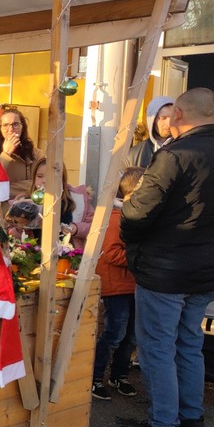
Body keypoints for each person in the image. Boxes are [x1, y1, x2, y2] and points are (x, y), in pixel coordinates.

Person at [117, 87, 214, 427]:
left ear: (179, 116)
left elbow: (136, 213)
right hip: (205, 265)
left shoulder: (174, 155)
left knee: (157, 347)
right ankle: (191, 422)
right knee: (188, 344)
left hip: (165, 269)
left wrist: (133, 239)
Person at [91, 167, 145, 401]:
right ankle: (94, 377)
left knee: (131, 336)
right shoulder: (116, 218)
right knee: (115, 333)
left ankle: (119, 375)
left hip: (134, 285)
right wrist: (142, 257)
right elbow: (111, 253)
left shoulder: (135, 217)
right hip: (117, 287)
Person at [29, 158, 93, 248]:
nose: (44, 181)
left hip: (69, 252)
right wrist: (19, 226)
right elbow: (14, 233)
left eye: (50, 176)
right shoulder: (28, 202)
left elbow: (93, 227)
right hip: (34, 253)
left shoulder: (78, 199)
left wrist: (76, 228)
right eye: (40, 176)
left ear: (62, 178)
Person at [0, 106, 40, 197]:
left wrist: (7, 189)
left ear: (22, 127)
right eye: (6, 125)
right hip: (3, 205)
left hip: (29, 203)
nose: (11, 129)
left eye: (15, 124)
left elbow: (42, 183)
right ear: (0, 129)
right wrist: (6, 154)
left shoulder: (35, 153)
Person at [127, 95, 174, 168]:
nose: (169, 123)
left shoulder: (186, 150)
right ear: (152, 120)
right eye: (163, 118)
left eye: (173, 117)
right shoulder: (134, 155)